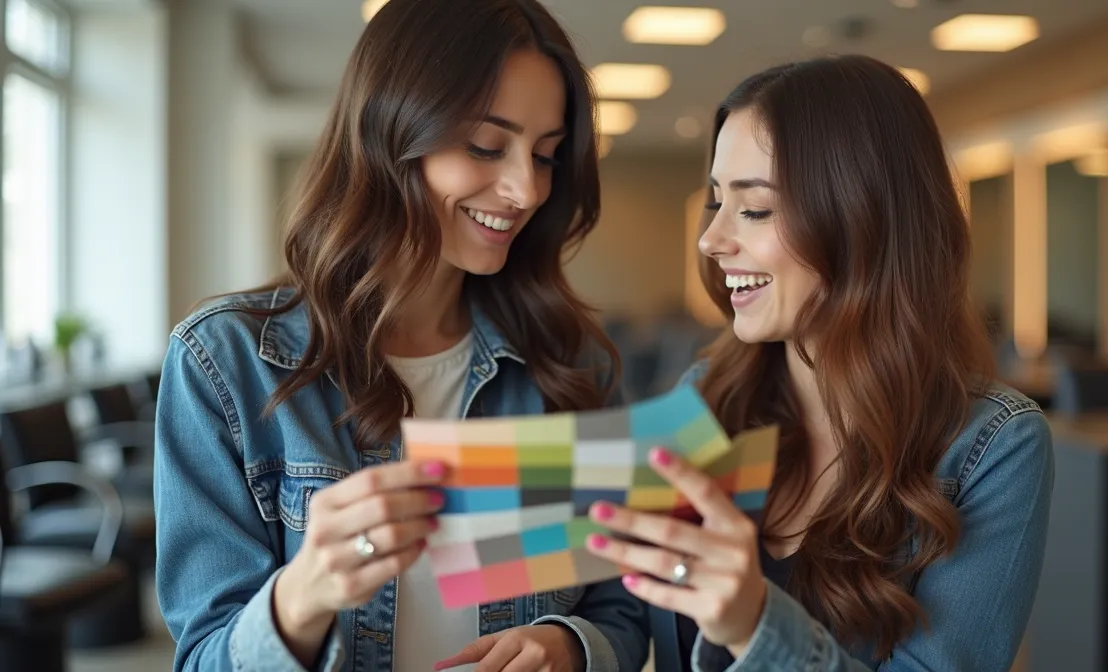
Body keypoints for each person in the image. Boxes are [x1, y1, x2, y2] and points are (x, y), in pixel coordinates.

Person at [153, 1, 647, 670]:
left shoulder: (570, 363)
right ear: (390, 132)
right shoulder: (226, 364)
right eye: (485, 146)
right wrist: (300, 597)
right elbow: (204, 658)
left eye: (547, 155)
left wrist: (569, 646)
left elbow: (619, 606)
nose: (525, 188)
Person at [582, 55, 1055, 671]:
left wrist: (757, 626)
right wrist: (568, 642)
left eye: (753, 209)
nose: (711, 239)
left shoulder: (995, 448)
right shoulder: (705, 395)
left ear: (860, 219)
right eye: (717, 202)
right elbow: (626, 598)